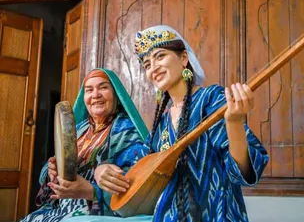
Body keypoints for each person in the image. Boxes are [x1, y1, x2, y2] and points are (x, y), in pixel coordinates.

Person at [95, 25, 269, 222]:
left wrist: (235, 123)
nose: (153, 68)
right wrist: (102, 171)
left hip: (217, 214)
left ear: (184, 58)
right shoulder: (160, 125)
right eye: (147, 64)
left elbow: (241, 173)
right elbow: (134, 172)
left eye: (160, 56)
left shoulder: (211, 99)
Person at [20, 68, 149, 221]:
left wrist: (90, 191)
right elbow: (48, 175)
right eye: (89, 90)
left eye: (103, 87)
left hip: (96, 212)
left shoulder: (127, 131)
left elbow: (139, 187)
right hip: (61, 209)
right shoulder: (78, 131)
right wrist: (52, 171)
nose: (95, 95)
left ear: (116, 94)